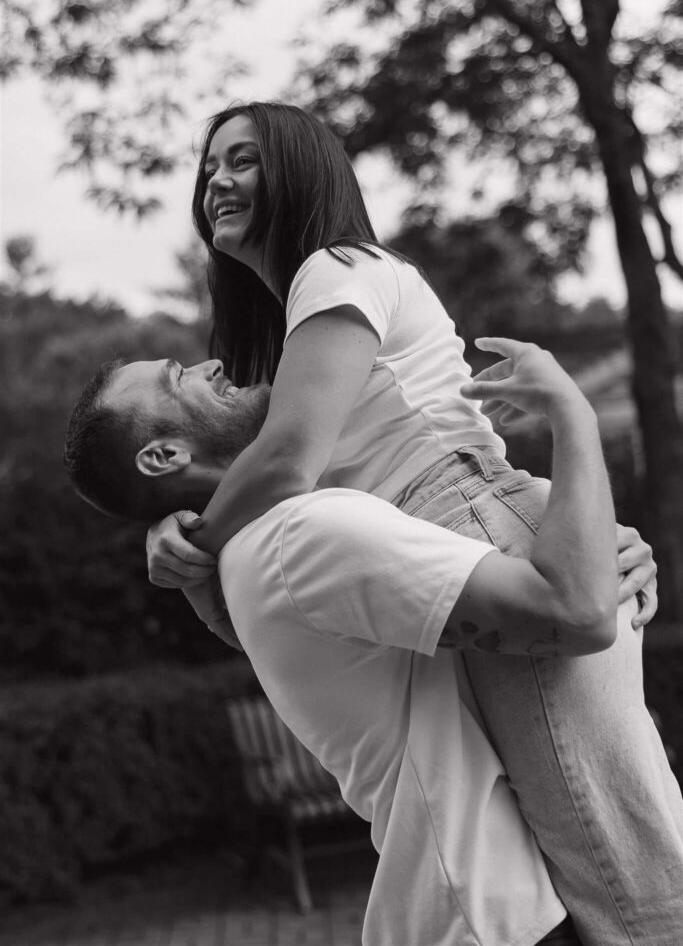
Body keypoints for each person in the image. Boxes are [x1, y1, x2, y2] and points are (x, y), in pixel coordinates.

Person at [141, 102, 680, 943]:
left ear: (300, 171)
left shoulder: (335, 266)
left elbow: (287, 458)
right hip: (462, 536)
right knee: (597, 857)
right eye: (209, 167)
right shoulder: (301, 333)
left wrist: (189, 542)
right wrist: (183, 544)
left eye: (242, 161)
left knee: (619, 869)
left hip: (469, 517)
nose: (217, 181)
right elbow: (280, 614)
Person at [64, 342, 681, 945]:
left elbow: (541, 578)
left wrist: (604, 543)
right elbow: (571, 611)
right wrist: (573, 413)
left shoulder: (254, 556)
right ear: (162, 454)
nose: (212, 364)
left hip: (490, 901)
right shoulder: (302, 535)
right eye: (179, 377)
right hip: (497, 911)